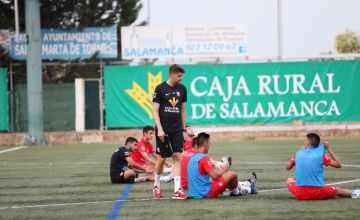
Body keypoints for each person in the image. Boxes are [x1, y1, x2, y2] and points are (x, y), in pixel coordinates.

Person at [286, 133, 360, 200]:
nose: (304, 142)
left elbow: (288, 167)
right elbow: (338, 165)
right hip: (317, 193)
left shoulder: (298, 154)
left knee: (289, 180)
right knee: (338, 190)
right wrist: (328, 149)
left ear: (308, 143)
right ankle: (355, 193)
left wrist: (299, 153)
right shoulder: (321, 156)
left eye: (305, 140)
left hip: (300, 194)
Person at [152, 64, 188, 199]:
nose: (181, 78)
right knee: (162, 158)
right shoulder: (160, 88)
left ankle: (177, 190)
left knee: (177, 156)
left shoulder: (183, 89)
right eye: (179, 75)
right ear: (172, 74)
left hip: (177, 129)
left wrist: (183, 129)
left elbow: (183, 110)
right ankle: (156, 186)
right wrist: (160, 129)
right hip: (164, 130)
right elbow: (155, 110)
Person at [187, 132, 257, 199]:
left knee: (224, 177)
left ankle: (244, 189)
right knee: (232, 174)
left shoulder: (193, 158)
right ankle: (238, 192)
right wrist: (224, 169)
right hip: (205, 193)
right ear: (205, 144)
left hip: (194, 193)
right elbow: (214, 176)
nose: (209, 145)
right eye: (209, 143)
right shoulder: (203, 158)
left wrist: (221, 171)